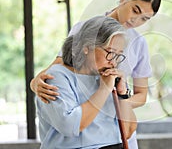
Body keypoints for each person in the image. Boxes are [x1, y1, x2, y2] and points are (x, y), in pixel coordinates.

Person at [31, 0, 161, 148]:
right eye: (135, 10)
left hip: (117, 132)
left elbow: (141, 95)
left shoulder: (139, 43)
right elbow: (58, 68)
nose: (135, 20)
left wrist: (118, 101)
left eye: (144, 18)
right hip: (85, 132)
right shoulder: (85, 29)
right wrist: (35, 83)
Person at [36, 16, 136, 148]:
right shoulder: (57, 77)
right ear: (87, 47)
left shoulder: (110, 78)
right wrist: (103, 90)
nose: (113, 62)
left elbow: (128, 131)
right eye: (110, 52)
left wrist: (123, 94)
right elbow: (70, 126)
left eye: (118, 55)